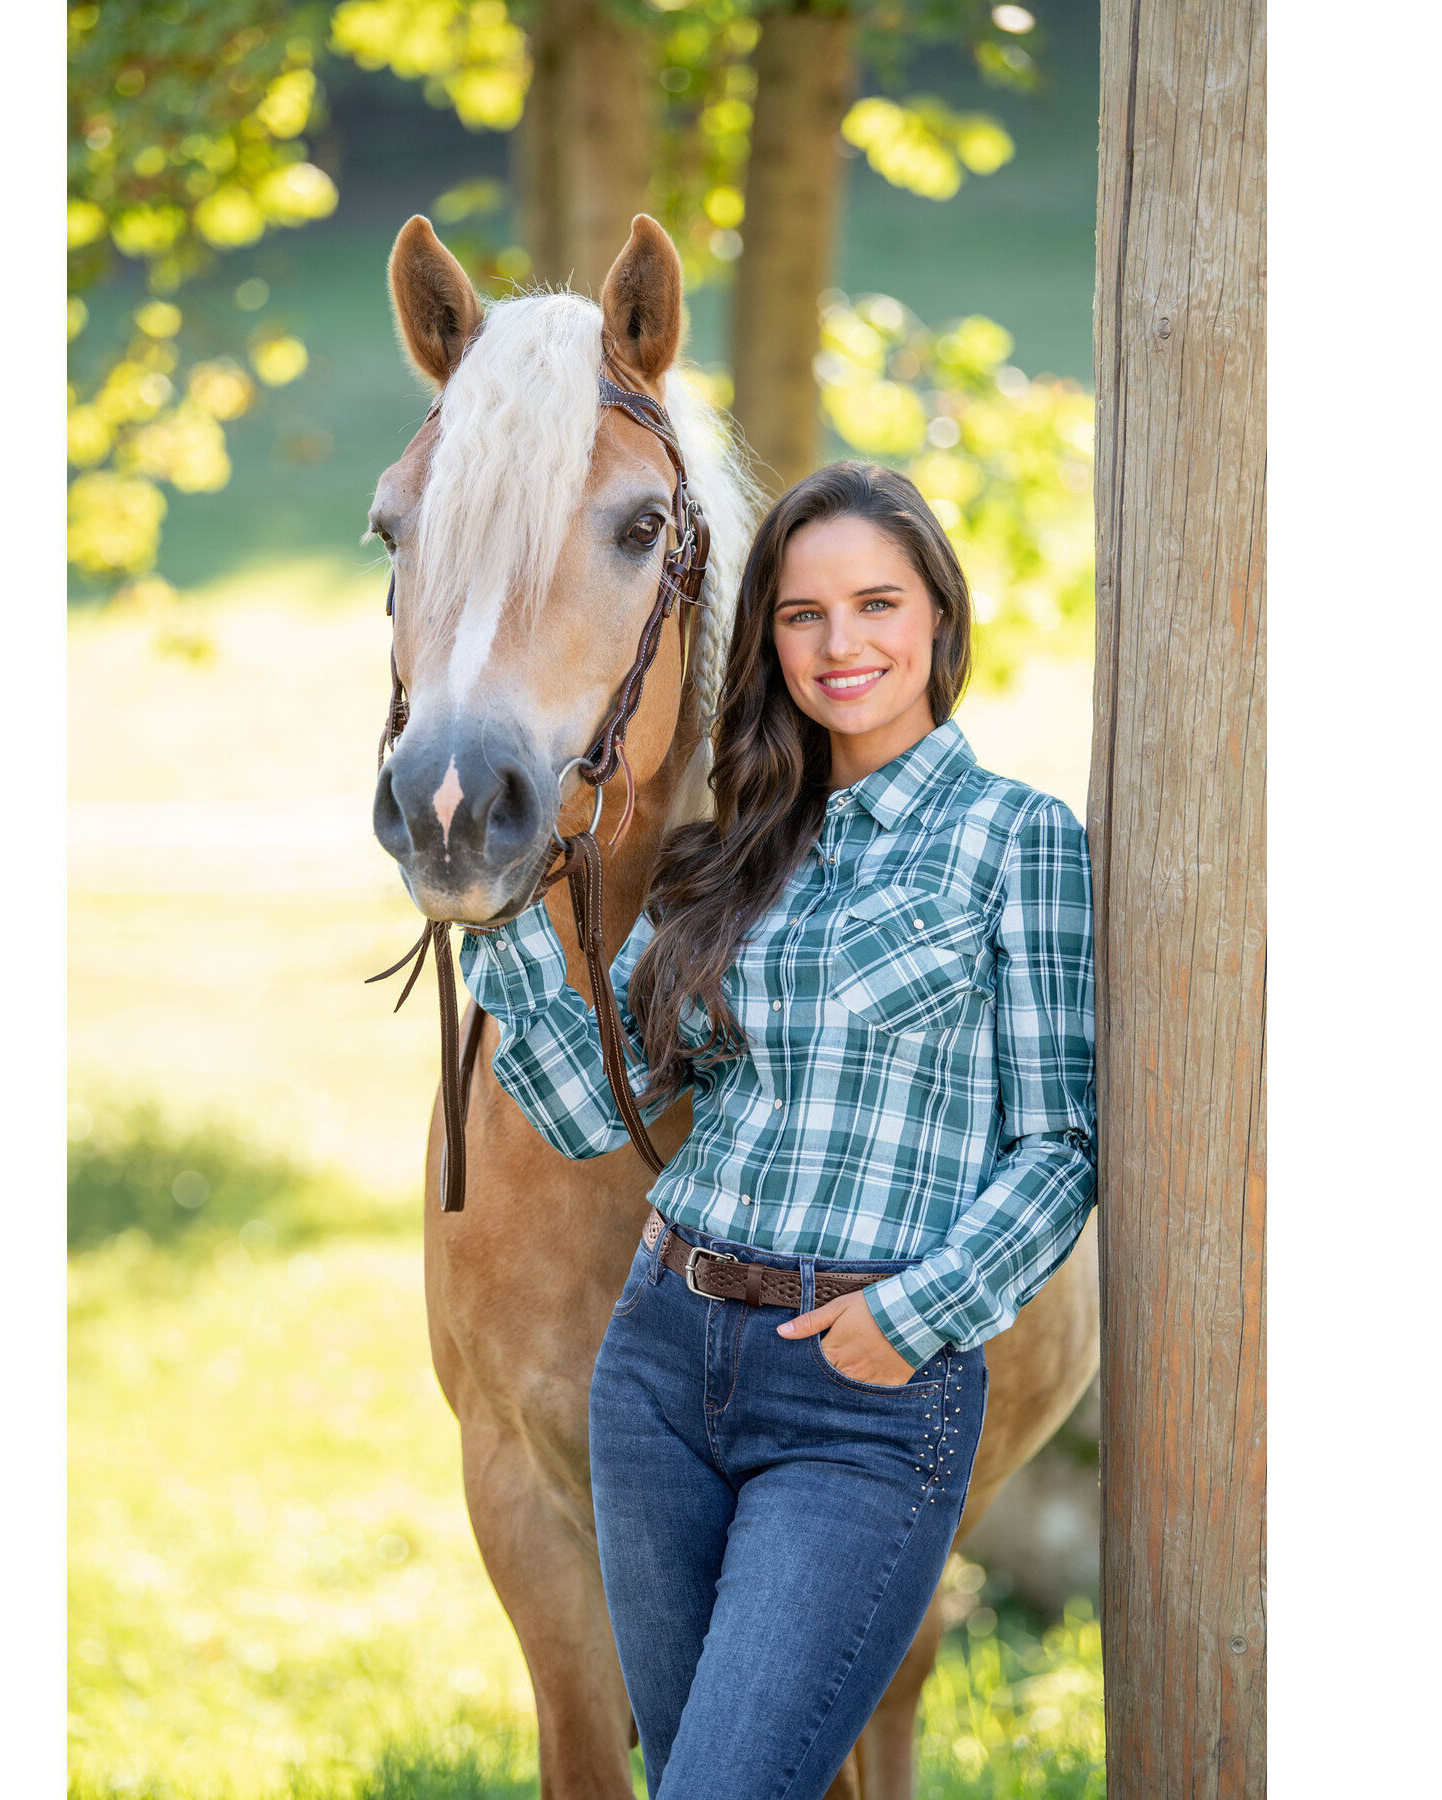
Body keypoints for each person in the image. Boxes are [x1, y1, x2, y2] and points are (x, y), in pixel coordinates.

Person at [458, 461, 1096, 1798]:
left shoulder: (1013, 840)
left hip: (860, 1396)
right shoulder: (729, 857)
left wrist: (911, 1318)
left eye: (876, 602)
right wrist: (500, 908)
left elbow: (1058, 1150)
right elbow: (593, 1115)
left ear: (937, 618)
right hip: (660, 1367)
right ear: (767, 642)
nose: (841, 643)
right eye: (802, 614)